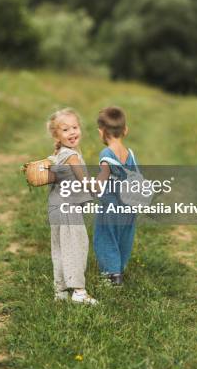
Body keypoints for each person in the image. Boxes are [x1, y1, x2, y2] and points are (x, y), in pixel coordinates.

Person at [47, 108, 97, 304]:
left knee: (60, 247)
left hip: (56, 207)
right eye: (66, 129)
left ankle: (60, 291)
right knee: (76, 246)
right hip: (68, 208)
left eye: (75, 127)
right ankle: (79, 292)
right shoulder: (71, 156)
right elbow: (85, 180)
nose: (72, 132)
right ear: (56, 135)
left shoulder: (59, 152)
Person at [93, 106, 137, 287]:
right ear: (125, 130)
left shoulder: (106, 154)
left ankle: (112, 276)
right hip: (129, 206)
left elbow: (101, 181)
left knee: (106, 238)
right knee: (124, 238)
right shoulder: (130, 153)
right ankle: (119, 269)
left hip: (111, 206)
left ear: (101, 132)